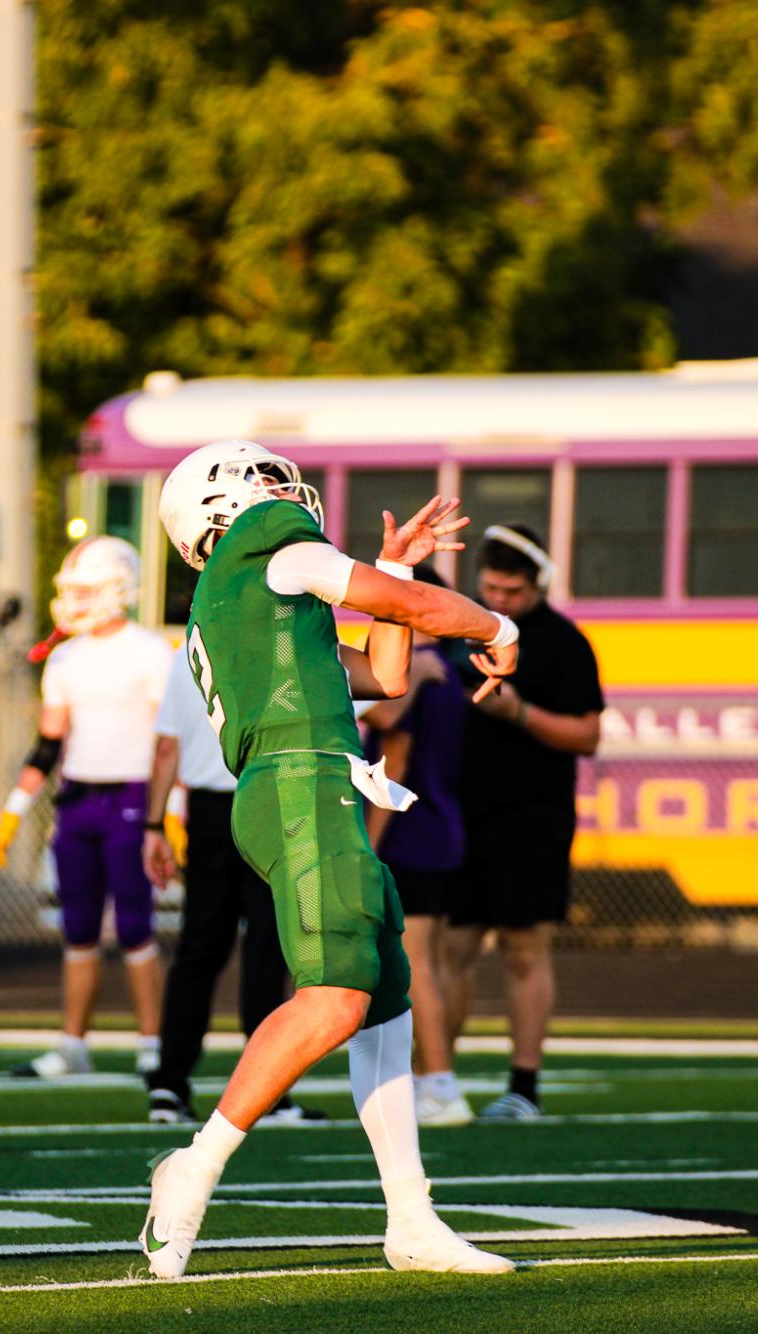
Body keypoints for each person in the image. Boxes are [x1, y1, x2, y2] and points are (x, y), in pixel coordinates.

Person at [140, 439, 520, 1280]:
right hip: (300, 782)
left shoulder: (247, 593)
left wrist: (387, 567)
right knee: (337, 996)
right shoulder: (263, 548)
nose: (284, 488)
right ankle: (192, 1168)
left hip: (309, 782)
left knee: (382, 998)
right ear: (223, 507)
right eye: (263, 478)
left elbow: (385, 675)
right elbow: (418, 608)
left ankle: (411, 1218)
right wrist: (497, 625)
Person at [439, 524, 603, 1120]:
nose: (500, 601)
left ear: (537, 585)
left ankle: (523, 1086)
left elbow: (587, 734)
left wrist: (521, 713)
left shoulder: (563, 642)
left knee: (523, 948)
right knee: (449, 947)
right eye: (490, 588)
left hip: (532, 814)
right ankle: (437, 1080)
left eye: (512, 591)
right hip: (462, 810)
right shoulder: (462, 627)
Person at [0, 537, 170, 1078]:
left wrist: (172, 811)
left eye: (86, 590)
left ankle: (153, 1044)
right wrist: (16, 806)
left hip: (133, 798)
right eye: (70, 591)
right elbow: (49, 742)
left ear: (119, 588)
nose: (73, 601)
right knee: (79, 930)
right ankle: (73, 1044)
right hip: (78, 802)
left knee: (137, 927)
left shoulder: (151, 652)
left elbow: (170, 740)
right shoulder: (65, 656)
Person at [140, 650, 320, 1125]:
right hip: (270, 800)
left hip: (209, 811)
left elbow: (165, 746)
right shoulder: (281, 641)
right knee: (266, 950)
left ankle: (169, 1082)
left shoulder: (188, 653)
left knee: (199, 949)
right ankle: (269, 1091)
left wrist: (154, 824)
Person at [360, 566, 470, 1127]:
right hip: (443, 825)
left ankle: (439, 1082)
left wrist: (369, 845)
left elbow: (389, 735)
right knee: (436, 963)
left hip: (411, 830)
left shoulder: (422, 669)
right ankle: (440, 1074)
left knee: (415, 964)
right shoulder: (447, 670)